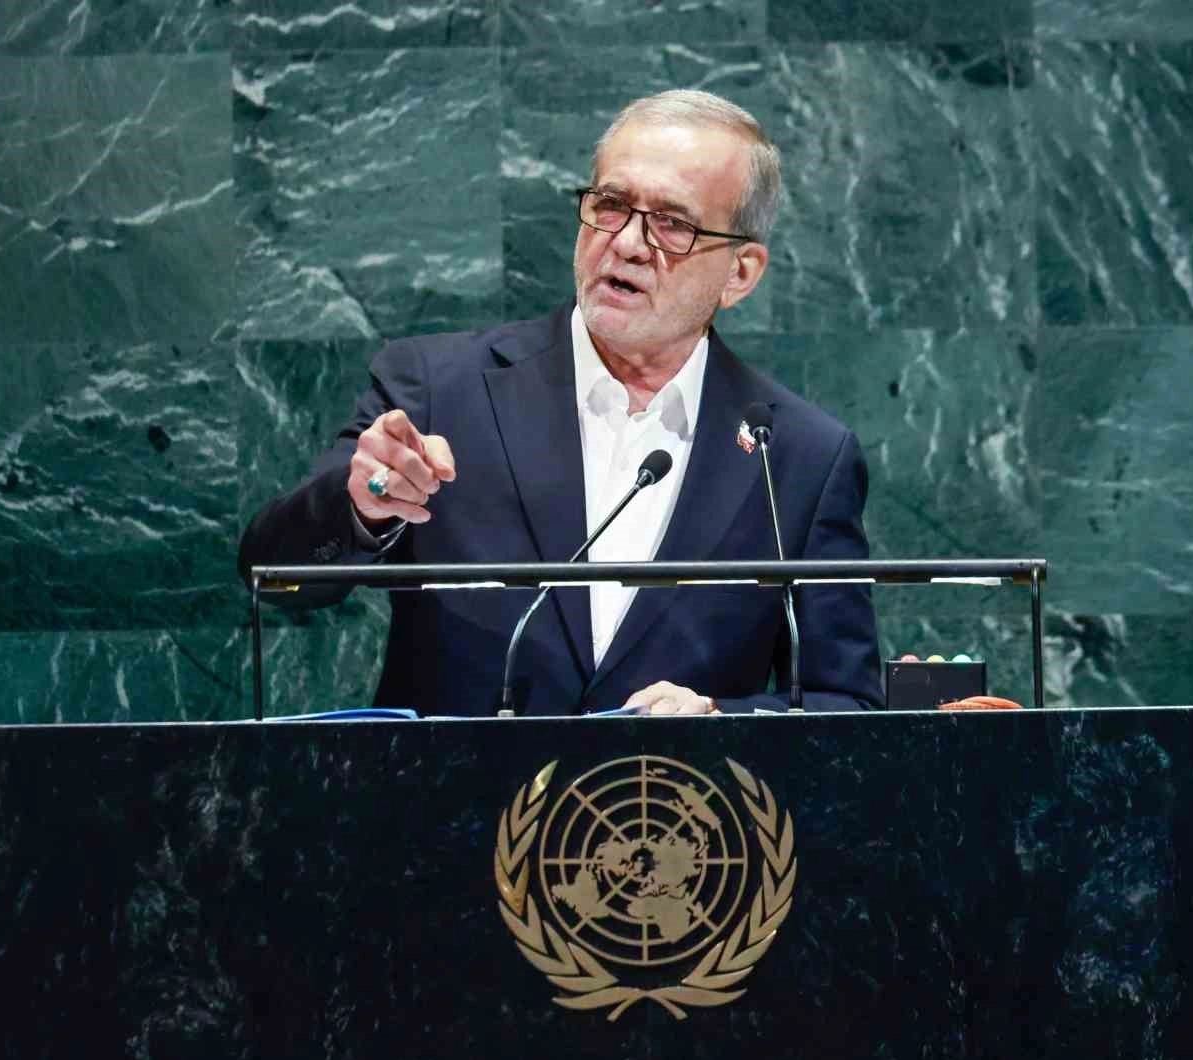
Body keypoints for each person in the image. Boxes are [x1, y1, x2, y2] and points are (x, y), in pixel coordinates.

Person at [238, 89, 884, 717]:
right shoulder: (438, 390)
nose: (627, 243)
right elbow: (274, 577)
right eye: (611, 204)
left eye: (672, 224)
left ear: (740, 273)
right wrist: (361, 507)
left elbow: (846, 703)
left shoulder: (799, 457)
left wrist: (718, 716)